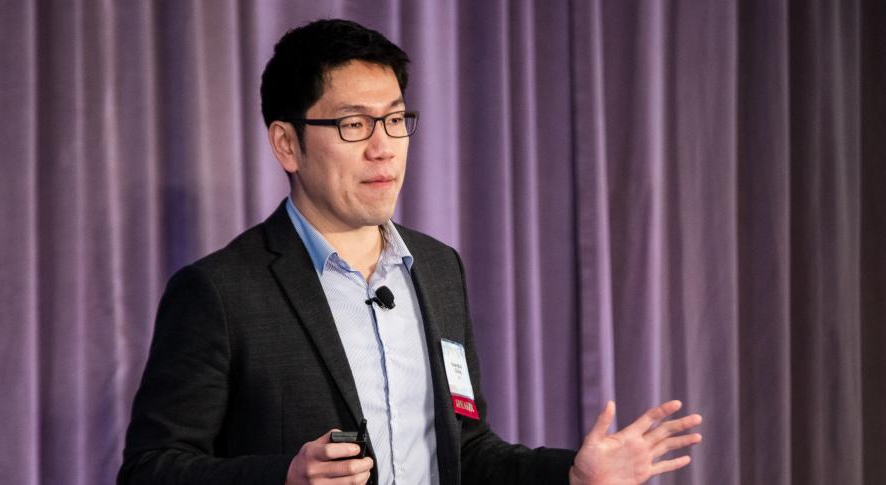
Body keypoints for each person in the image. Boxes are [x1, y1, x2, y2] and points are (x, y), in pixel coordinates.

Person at [119, 19, 702, 485]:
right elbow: (150, 469)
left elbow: (467, 451)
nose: (384, 149)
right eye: (354, 125)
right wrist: (285, 476)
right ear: (287, 144)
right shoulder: (221, 291)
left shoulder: (438, 268)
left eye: (396, 120)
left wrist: (571, 474)